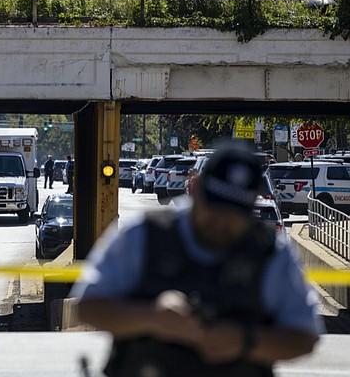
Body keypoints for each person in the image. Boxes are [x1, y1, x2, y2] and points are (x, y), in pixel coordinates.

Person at [71, 143, 322, 377]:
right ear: (196, 187)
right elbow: (87, 307)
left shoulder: (270, 254)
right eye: (214, 207)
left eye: (234, 213)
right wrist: (151, 316)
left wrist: (246, 341)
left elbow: (305, 337)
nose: (221, 221)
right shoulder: (143, 235)